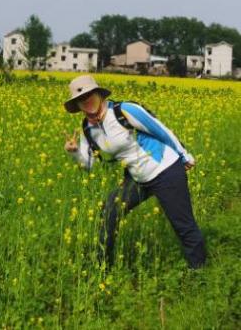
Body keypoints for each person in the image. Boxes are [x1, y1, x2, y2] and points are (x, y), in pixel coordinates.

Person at [63, 75, 207, 269]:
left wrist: (184, 155)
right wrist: (74, 153)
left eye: (89, 94)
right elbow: (88, 165)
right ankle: (102, 268)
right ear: (77, 105)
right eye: (81, 99)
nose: (86, 100)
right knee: (109, 211)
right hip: (137, 178)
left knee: (183, 224)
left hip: (165, 169)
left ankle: (198, 270)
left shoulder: (123, 111)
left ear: (99, 94)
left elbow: (160, 130)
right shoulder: (88, 128)